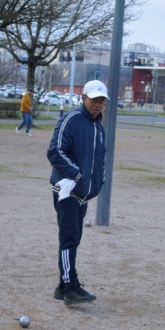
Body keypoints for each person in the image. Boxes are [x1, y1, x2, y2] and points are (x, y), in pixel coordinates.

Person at [47, 80, 108, 305]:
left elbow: (100, 158)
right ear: (83, 98)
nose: (97, 104)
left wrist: (97, 183)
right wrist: (78, 176)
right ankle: (71, 286)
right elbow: (55, 152)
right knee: (69, 237)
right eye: (94, 100)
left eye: (101, 101)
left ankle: (62, 286)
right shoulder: (71, 120)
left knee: (75, 237)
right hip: (66, 189)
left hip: (83, 192)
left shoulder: (98, 127)